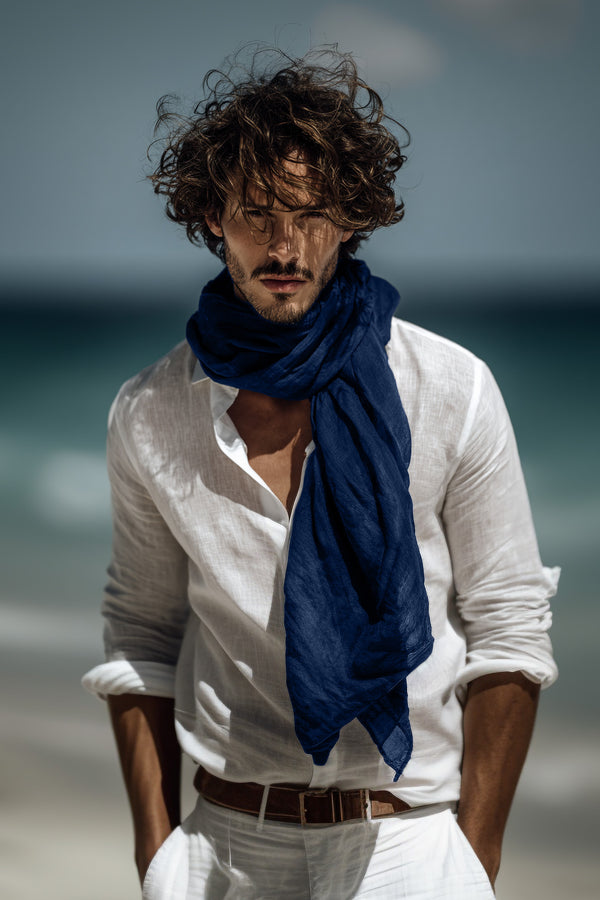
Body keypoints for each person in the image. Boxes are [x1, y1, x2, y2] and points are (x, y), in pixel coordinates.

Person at [83, 48, 558, 899]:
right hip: (224, 844)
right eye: (256, 211)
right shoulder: (153, 412)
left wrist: (473, 863)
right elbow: (142, 637)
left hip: (407, 839)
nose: (284, 242)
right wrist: (158, 857)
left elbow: (510, 629)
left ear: (350, 220)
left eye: (312, 212)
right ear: (210, 219)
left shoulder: (448, 389)